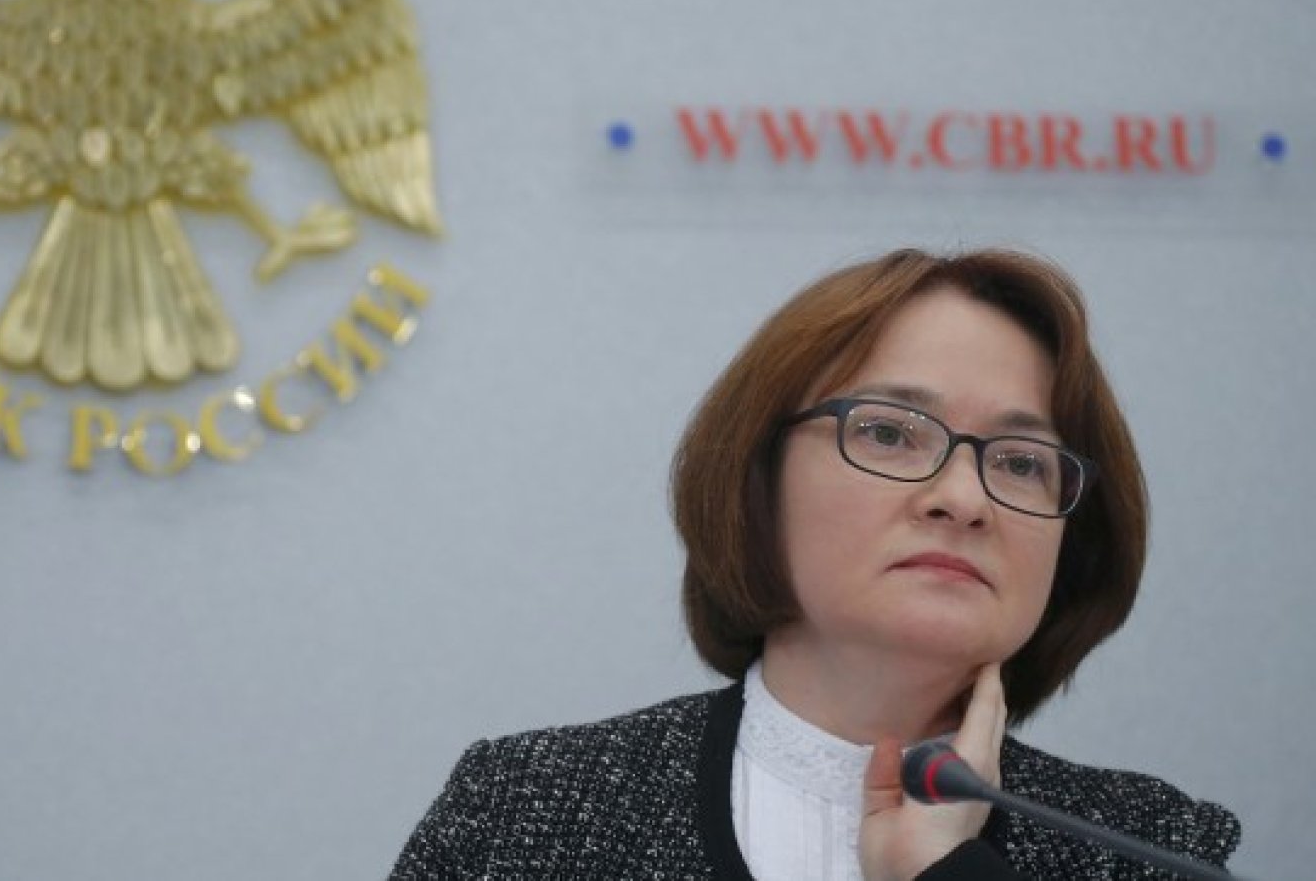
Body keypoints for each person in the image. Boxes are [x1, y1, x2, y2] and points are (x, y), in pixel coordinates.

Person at [389, 248, 1241, 880]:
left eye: (1021, 461)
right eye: (889, 433)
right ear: (759, 481)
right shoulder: (529, 816)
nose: (964, 499)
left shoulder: (1149, 852)